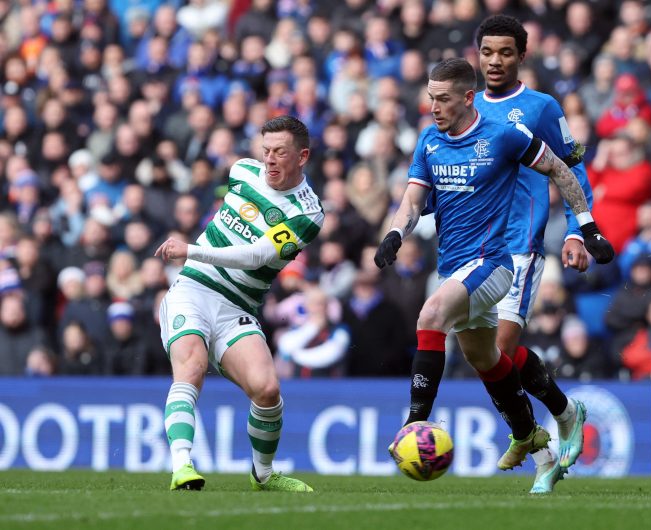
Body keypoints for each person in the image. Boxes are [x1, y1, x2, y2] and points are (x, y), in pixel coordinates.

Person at [374, 58, 613, 494]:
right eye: (430, 98)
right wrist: (395, 232)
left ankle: (413, 424)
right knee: (486, 359)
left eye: (443, 99)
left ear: (468, 97)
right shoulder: (429, 141)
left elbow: (560, 168)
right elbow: (411, 201)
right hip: (453, 266)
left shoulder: (503, 136)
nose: (434, 107)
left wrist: (587, 225)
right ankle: (536, 443)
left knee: (430, 317)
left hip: (495, 263)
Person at [154, 116, 323, 493]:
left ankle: (263, 474)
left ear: (303, 156)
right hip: (192, 289)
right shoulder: (242, 171)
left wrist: (191, 249)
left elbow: (257, 255)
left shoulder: (307, 213)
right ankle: (182, 466)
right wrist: (195, 258)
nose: (270, 160)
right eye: (266, 151)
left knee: (267, 390)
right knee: (192, 366)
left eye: (280, 152)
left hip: (237, 308)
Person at [473, 15, 599, 489]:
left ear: (521, 55)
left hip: (521, 243)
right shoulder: (466, 109)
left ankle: (545, 428)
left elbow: (572, 168)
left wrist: (576, 232)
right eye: (487, 52)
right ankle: (554, 429)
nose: (495, 61)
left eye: (505, 52)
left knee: (500, 349)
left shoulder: (541, 106)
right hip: (474, 248)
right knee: (485, 356)